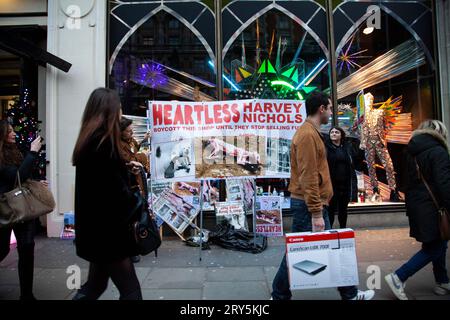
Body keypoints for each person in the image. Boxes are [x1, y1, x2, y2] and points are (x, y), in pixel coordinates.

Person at [270, 91, 374, 300]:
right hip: (310, 206)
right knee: (299, 252)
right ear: (321, 109)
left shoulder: (311, 133)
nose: (331, 112)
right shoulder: (308, 135)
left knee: (314, 250)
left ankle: (348, 293)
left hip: (312, 205)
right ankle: (281, 295)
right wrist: (316, 212)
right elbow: (308, 176)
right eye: (329, 107)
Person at [71, 88, 142, 300]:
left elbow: (101, 185)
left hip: (97, 231)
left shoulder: (90, 141)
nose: (121, 110)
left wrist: (127, 173)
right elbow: (115, 194)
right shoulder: (104, 145)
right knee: (131, 291)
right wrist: (136, 200)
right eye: (118, 106)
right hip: (110, 233)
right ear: (110, 111)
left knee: (95, 286)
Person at [385, 120, 450, 300]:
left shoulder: (411, 151)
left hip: (417, 205)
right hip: (433, 206)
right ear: (439, 133)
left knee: (438, 243)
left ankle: (442, 281)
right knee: (435, 246)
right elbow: (444, 183)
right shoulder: (438, 152)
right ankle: (399, 277)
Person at [0, 120, 45, 300]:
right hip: (6, 208)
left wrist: (36, 183)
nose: (13, 133)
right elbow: (16, 175)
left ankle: (27, 294)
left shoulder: (15, 151)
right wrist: (33, 151)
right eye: (9, 131)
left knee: (27, 249)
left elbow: (23, 177)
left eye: (13, 130)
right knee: (2, 248)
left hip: (23, 208)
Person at [119, 117, 150, 263]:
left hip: (135, 183)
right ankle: (130, 250)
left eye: (132, 130)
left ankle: (134, 247)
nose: (131, 133)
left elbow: (135, 150)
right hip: (126, 185)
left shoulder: (130, 141)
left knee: (136, 216)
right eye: (128, 131)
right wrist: (140, 157)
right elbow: (127, 159)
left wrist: (143, 140)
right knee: (129, 218)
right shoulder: (118, 144)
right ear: (120, 132)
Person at [359, 92, 400, 202]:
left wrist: (383, 137)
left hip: (379, 142)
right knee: (371, 167)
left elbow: (385, 125)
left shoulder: (380, 112)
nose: (369, 103)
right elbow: (357, 128)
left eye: (370, 100)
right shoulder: (361, 115)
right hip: (368, 143)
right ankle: (375, 189)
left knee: (389, 165)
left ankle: (393, 189)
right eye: (367, 101)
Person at [325, 126, 357, 228]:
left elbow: (352, 164)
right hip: (331, 185)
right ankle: (329, 231)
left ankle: (343, 229)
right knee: (330, 210)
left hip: (345, 184)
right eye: (332, 132)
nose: (333, 134)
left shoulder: (346, 148)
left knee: (343, 210)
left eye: (336, 132)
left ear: (341, 135)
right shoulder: (326, 148)